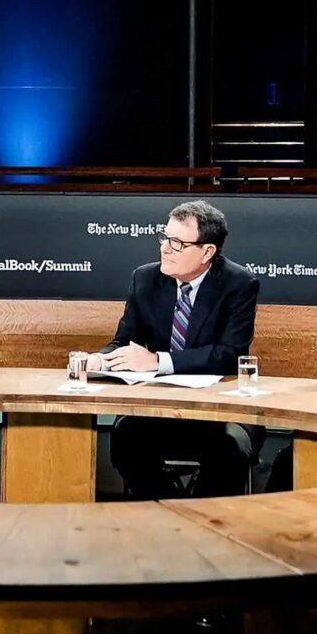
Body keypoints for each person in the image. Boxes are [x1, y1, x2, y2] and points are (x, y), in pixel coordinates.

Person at [80, 199, 262, 498]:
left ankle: (203, 523)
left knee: (230, 450)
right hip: (158, 408)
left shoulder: (238, 284)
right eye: (165, 238)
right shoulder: (145, 278)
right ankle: (165, 512)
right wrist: (101, 359)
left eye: (177, 243)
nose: (165, 248)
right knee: (126, 438)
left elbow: (229, 353)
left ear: (207, 252)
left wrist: (157, 361)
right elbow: (126, 340)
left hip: (218, 411)